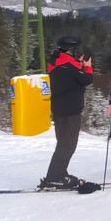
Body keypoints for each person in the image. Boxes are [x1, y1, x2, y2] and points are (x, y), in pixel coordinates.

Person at [40, 36, 94, 189]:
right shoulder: (66, 67)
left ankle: (59, 173)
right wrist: (88, 66)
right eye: (75, 49)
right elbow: (86, 79)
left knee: (63, 143)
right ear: (71, 49)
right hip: (70, 110)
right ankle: (54, 177)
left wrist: (80, 65)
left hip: (60, 109)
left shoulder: (58, 63)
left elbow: (74, 74)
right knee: (68, 144)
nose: (77, 52)